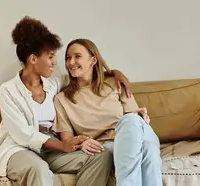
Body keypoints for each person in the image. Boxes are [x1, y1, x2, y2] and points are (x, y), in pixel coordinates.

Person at [0, 16, 134, 186]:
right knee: (38, 169)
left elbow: (85, 74)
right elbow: (23, 135)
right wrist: (63, 146)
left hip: (51, 150)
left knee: (101, 156)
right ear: (33, 59)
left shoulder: (54, 84)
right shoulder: (7, 91)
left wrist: (114, 73)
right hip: (19, 150)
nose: (55, 62)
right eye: (50, 57)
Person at [52, 38, 162, 186]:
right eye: (68, 58)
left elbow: (135, 118)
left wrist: (140, 117)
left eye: (77, 56)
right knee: (148, 150)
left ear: (93, 60)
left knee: (131, 120)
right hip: (107, 146)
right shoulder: (62, 99)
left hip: (135, 134)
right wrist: (83, 142)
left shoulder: (115, 83)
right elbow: (67, 140)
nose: (71, 62)